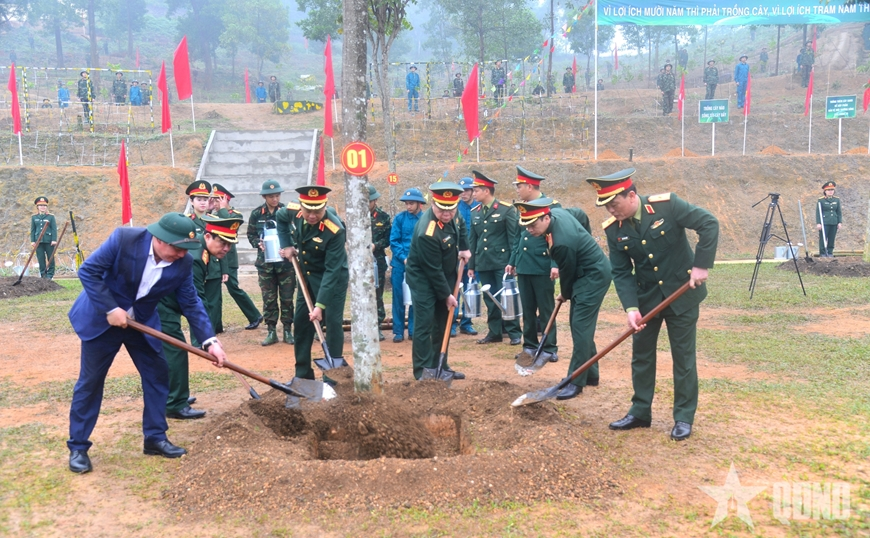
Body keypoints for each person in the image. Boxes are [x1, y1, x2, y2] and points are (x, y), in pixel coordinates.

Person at [66, 213, 227, 474]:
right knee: (91, 382)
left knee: (158, 375)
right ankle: (78, 447)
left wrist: (210, 341)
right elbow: (89, 271)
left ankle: (155, 438)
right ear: (159, 240)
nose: (181, 255)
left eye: (186, 250)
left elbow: (191, 302)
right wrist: (110, 308)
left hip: (141, 323)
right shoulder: (124, 240)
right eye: (177, 248)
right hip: (103, 320)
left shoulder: (183, 263)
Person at [587, 168, 718, 441]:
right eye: (606, 206)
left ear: (631, 195)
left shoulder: (667, 206)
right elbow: (622, 271)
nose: (611, 210)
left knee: (683, 358)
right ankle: (640, 412)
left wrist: (701, 265)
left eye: (615, 203)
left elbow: (709, 223)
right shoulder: (614, 229)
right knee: (642, 356)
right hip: (646, 300)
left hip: (682, 294)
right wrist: (631, 308)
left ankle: (683, 417)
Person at [514, 198, 611, 400]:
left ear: (546, 217)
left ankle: (574, 381)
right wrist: (584, 236)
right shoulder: (560, 214)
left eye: (533, 224)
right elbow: (579, 213)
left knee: (580, 326)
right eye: (526, 225)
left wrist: (564, 294)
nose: (530, 229)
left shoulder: (561, 243)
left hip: (592, 277)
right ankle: (590, 374)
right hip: (585, 273)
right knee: (581, 326)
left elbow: (567, 274)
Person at [160, 213, 241, 420]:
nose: (226, 249)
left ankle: (175, 396)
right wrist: (206, 338)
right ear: (207, 237)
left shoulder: (203, 253)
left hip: (171, 302)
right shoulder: (195, 257)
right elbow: (194, 300)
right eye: (222, 242)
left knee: (171, 352)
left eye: (230, 245)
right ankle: (174, 403)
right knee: (175, 350)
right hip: (162, 305)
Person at [507, 167, 590, 364]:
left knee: (546, 308)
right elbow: (520, 237)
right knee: (527, 309)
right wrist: (512, 261)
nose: (517, 190)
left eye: (519, 186)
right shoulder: (522, 206)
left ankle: (549, 347)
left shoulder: (552, 205)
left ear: (529, 186)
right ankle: (529, 345)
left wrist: (555, 264)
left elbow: (557, 235)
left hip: (543, 264)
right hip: (525, 265)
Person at [276, 186, 348, 381]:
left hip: (332, 280)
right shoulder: (293, 212)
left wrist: (320, 306)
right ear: (301, 206)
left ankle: (332, 379)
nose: (312, 215)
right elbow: (280, 219)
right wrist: (287, 245)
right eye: (308, 210)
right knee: (301, 323)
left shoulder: (335, 230)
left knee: (332, 325)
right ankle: (303, 375)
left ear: (325, 206)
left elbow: (332, 271)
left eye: (318, 210)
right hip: (307, 276)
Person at [405, 183, 471, 380]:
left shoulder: (453, 213)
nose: (446, 213)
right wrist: (447, 295)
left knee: (443, 322)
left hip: (445, 273)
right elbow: (432, 270)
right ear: (433, 204)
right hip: (423, 279)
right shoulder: (428, 231)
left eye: (450, 209)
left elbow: (461, 227)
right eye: (442, 209)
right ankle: (422, 371)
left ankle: (441, 365)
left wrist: (465, 248)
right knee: (424, 324)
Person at [468, 170, 521, 346]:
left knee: (507, 297)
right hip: (483, 262)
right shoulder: (474, 212)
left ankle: (514, 332)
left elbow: (514, 239)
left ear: (486, 191)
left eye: (476, 190)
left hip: (502, 263)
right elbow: (472, 240)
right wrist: (471, 266)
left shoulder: (506, 210)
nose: (473, 193)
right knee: (489, 298)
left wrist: (512, 262)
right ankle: (494, 332)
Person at [248, 180, 296, 346]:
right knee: (269, 298)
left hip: (285, 264)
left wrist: (290, 247)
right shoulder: (256, 214)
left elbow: (296, 233)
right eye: (271, 196)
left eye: (277, 195)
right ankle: (271, 331)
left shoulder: (287, 212)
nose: (274, 199)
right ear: (264, 197)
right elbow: (251, 234)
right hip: (265, 265)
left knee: (287, 297)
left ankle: (288, 330)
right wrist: (258, 244)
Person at [211, 184, 263, 330]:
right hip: (215, 259)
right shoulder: (213, 215)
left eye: (217, 200)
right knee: (214, 292)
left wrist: (222, 209)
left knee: (233, 288)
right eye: (213, 201)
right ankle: (216, 325)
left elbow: (228, 225)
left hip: (228, 260)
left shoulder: (235, 215)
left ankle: (254, 315)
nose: (214, 204)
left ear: (225, 200)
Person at [390, 188, 426, 343]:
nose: (408, 206)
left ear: (419, 203)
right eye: (406, 203)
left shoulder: (425, 220)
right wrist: (403, 258)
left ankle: (413, 329)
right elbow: (394, 241)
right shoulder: (399, 219)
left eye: (411, 203)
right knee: (398, 297)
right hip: (400, 264)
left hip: (418, 265)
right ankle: (398, 331)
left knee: (415, 298)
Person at [451, 177, 479, 337]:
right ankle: (452, 322)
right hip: (458, 257)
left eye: (467, 191)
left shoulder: (479, 207)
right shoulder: (455, 209)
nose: (464, 194)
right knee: (456, 290)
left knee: (471, 290)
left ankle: (467, 322)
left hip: (474, 257)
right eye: (462, 192)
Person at [369, 184, 391, 341]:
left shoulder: (383, 217)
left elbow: (388, 239)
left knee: (377, 293)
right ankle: (364, 325)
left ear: (375, 201)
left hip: (378, 258)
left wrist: (376, 245)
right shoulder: (355, 215)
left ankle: (377, 325)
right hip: (360, 261)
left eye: (369, 201)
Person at [31, 196, 58, 280]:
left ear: (46, 207)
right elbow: (32, 230)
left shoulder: (50, 217)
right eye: (41, 205)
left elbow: (54, 229)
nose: (43, 207)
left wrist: (54, 239)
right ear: (37, 207)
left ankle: (50, 275)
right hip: (38, 241)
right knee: (41, 258)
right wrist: (32, 241)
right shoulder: (34, 217)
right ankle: (43, 275)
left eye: (44, 205)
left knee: (50, 258)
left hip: (49, 241)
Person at [816, 180, 842, 257]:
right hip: (825, 222)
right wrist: (818, 223)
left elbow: (839, 212)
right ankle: (823, 253)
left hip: (834, 221)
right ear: (825, 191)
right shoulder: (821, 200)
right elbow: (818, 212)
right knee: (823, 239)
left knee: (831, 238)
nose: (830, 192)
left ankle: (830, 252)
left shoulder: (836, 200)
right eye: (829, 190)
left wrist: (839, 222)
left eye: (832, 190)